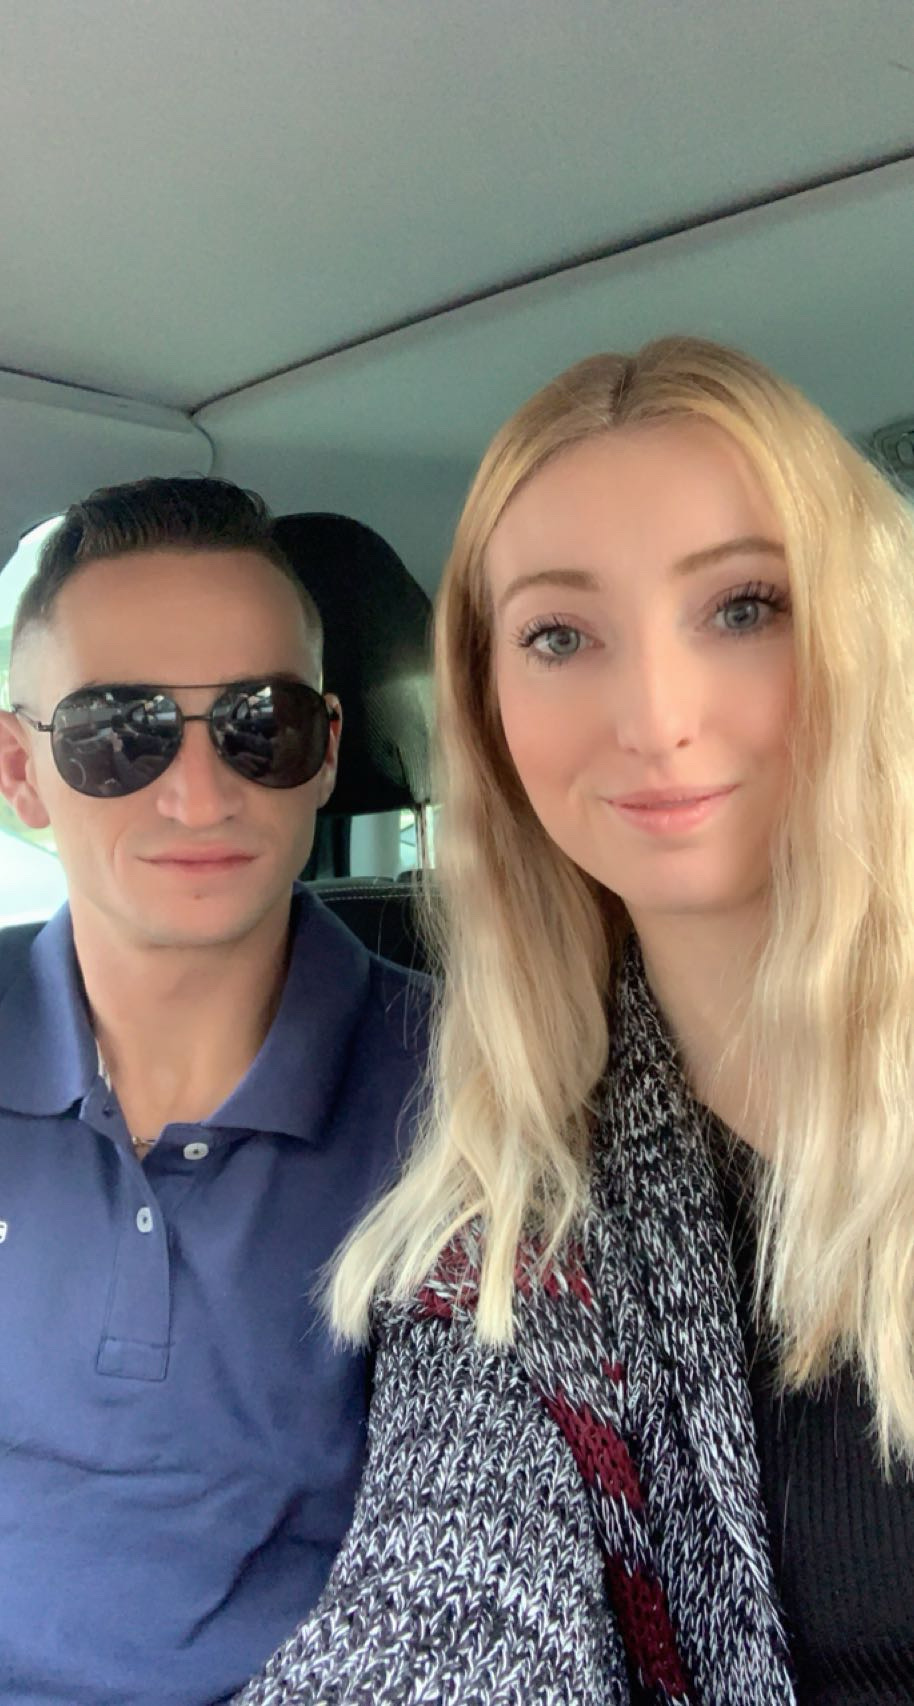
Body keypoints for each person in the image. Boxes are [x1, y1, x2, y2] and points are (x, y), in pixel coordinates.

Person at [236, 338, 914, 1706]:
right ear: (487, 708)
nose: (653, 717)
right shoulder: (512, 1228)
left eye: (743, 606)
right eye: (557, 635)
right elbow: (443, 1594)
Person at [0, 477, 426, 1706]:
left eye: (259, 723)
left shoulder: (468, 1093)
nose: (197, 793)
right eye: (117, 731)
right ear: (21, 771)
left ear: (325, 750)